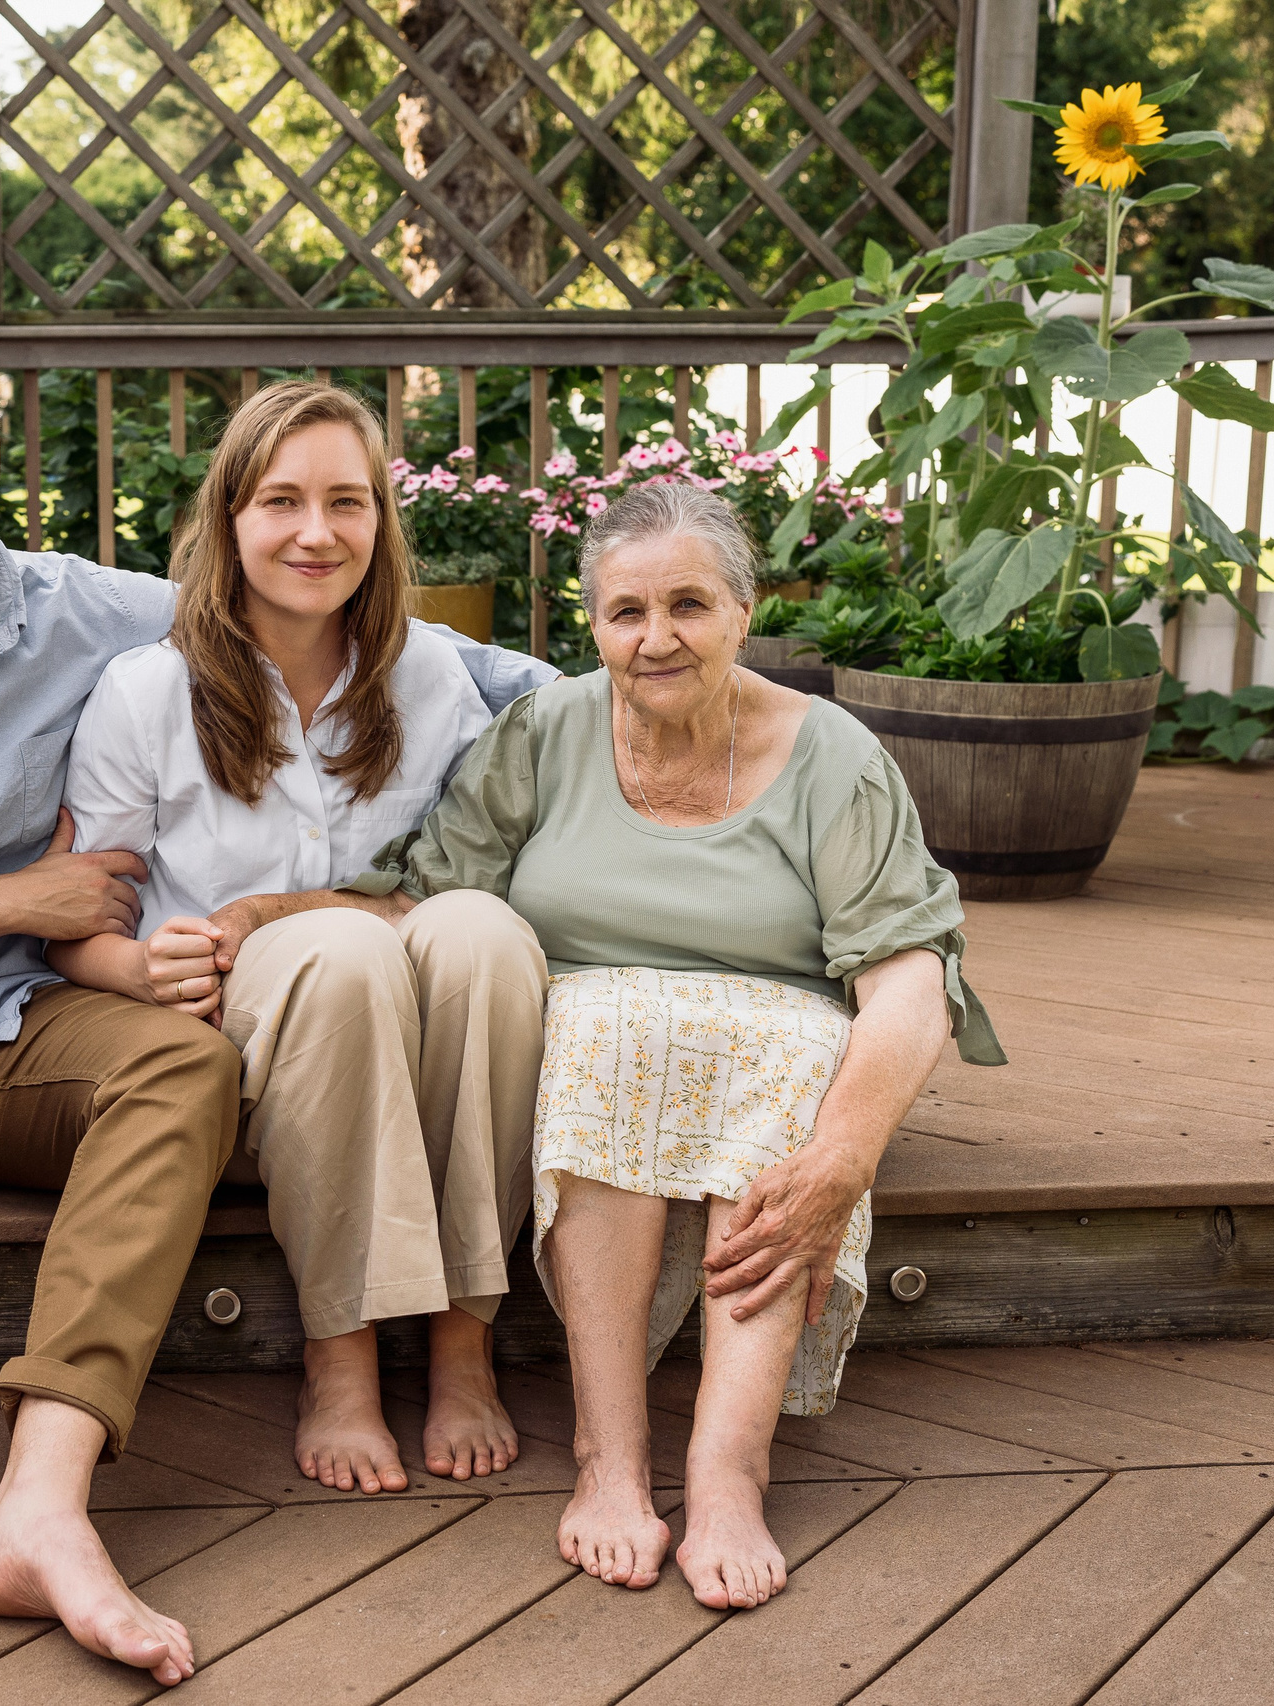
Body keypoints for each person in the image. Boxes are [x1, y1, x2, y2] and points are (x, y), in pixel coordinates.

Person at [0, 317, 549, 1685]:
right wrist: (7, 902)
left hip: (27, 1028)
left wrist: (656, 685)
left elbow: (331, 616)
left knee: (186, 1062)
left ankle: (42, 1495)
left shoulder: (92, 608)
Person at [349, 481, 1004, 1613]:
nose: (656, 637)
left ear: (746, 614)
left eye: (689, 605)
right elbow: (429, 899)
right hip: (591, 1042)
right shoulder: (543, 732)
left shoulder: (833, 756)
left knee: (797, 1049)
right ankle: (608, 1457)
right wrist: (260, 924)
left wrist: (845, 1156)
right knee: (610, 1028)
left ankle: (728, 1470)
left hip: (776, 1056)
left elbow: (909, 977)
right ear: (594, 625)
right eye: (627, 612)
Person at [52, 381, 546, 1500]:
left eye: (345, 502)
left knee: (484, 934)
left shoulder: (428, 675)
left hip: (408, 1030)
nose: (316, 533)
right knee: (343, 953)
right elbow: (76, 929)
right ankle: (343, 1349)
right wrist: (138, 966)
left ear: (380, 521)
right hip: (249, 1049)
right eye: (281, 500)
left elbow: (473, 874)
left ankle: (465, 1336)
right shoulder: (148, 691)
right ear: (229, 519)